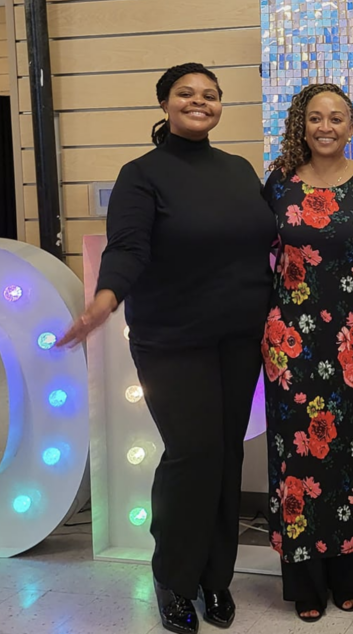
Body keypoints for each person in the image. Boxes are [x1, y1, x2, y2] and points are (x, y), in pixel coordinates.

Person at [57, 63, 276, 634]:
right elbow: (129, 249)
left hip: (239, 335)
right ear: (164, 103)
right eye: (186, 94)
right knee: (193, 452)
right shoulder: (142, 174)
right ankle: (174, 578)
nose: (198, 102)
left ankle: (215, 578)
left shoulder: (238, 169)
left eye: (210, 95)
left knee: (227, 452)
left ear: (220, 106)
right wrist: (104, 299)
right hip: (172, 339)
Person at [261, 83, 353, 622]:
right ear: (302, 123)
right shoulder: (278, 184)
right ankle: (305, 584)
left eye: (336, 117)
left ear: (351, 123)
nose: (326, 127)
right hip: (289, 344)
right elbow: (249, 256)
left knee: (346, 461)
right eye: (315, 117)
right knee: (296, 461)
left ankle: (347, 573)